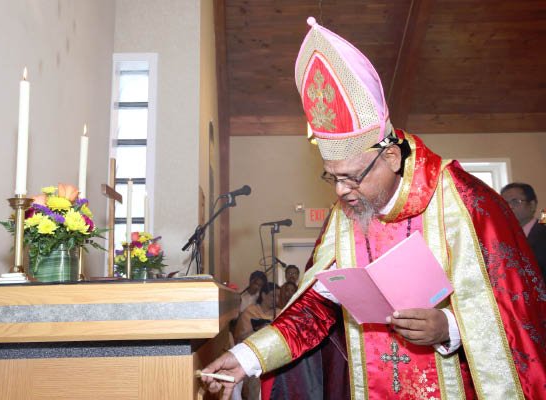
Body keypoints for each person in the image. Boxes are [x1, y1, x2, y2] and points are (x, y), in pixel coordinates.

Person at [201, 17, 545, 399]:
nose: (342, 191)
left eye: (352, 177)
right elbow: (314, 308)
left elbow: (519, 313)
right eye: (332, 177)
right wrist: (245, 358)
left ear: (392, 158)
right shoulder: (347, 213)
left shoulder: (465, 202)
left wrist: (449, 326)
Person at [501, 182, 546, 279]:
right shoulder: (502, 238)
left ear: (532, 205)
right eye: (504, 203)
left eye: (515, 201)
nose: (509, 207)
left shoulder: (543, 234)